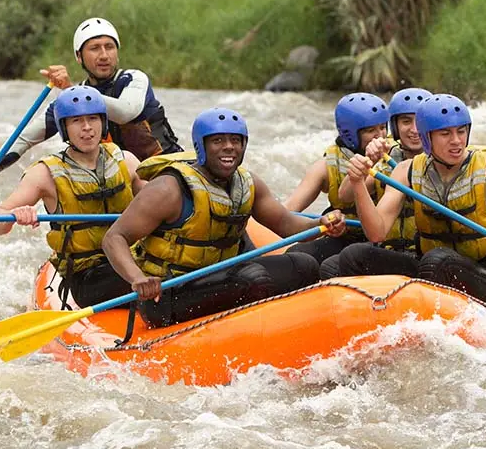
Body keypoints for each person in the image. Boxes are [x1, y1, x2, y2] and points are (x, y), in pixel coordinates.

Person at [101, 107, 346, 328]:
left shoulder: (248, 183)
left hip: (220, 279)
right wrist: (138, 279)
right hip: (166, 296)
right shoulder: (169, 189)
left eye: (235, 140)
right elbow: (114, 238)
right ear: (202, 147)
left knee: (304, 266)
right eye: (218, 141)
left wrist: (320, 225)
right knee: (253, 279)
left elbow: (286, 224)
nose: (229, 146)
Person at [340, 94, 486, 316]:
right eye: (445, 133)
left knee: (437, 261)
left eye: (461, 131)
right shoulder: (407, 170)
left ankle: (423, 321)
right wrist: (358, 183)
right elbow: (377, 233)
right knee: (355, 256)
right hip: (433, 272)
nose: (456, 140)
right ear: (427, 137)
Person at [0, 16, 181, 193]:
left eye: (109, 47)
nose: (104, 55)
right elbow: (25, 138)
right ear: (79, 57)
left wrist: (71, 89)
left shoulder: (134, 80)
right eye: (95, 49)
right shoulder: (68, 100)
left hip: (167, 173)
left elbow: (125, 112)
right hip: (122, 186)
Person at [0, 85, 146, 308]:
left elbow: (160, 206)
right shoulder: (44, 174)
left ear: (103, 122)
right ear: (64, 127)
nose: (87, 128)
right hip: (89, 277)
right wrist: (14, 214)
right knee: (154, 275)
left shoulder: (126, 160)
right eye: (77, 121)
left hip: (133, 259)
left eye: (93, 118)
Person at [319, 87, 432, 277]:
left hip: (427, 257)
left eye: (419, 122)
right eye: (406, 122)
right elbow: (344, 196)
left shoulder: (442, 160)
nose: (414, 130)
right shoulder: (388, 156)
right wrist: (369, 161)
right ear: (394, 127)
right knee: (331, 267)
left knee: (353, 255)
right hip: (392, 250)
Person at [282, 92, 388, 266]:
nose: (380, 136)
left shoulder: (393, 155)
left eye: (383, 127)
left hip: (381, 238)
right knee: (295, 254)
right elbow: (289, 210)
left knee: (338, 262)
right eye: (371, 130)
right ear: (350, 134)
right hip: (345, 236)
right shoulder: (326, 166)